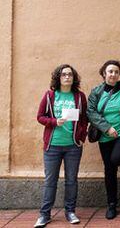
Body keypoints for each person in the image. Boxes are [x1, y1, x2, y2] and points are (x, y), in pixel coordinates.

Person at [35, 64, 88, 227]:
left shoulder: (79, 96)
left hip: (73, 146)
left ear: (74, 78)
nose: (67, 77)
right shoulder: (50, 95)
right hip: (52, 146)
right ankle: (44, 215)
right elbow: (40, 117)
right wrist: (54, 121)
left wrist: (81, 136)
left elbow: (84, 119)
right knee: (50, 181)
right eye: (64, 74)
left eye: (70, 75)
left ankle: (70, 211)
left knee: (71, 180)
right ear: (58, 77)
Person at [87, 60, 120, 220]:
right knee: (109, 169)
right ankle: (112, 204)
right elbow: (90, 112)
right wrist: (107, 128)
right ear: (104, 73)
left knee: (116, 158)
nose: (113, 74)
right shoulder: (96, 91)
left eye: (116, 71)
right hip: (105, 135)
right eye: (110, 71)